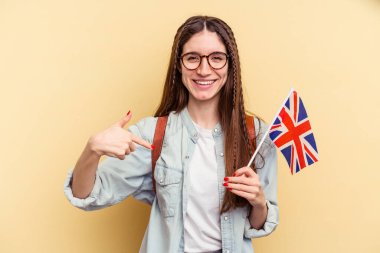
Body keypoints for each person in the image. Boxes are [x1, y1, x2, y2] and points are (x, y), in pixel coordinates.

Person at [64, 15, 279, 253]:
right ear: (178, 64)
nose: (204, 69)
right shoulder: (152, 135)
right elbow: (86, 196)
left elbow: (259, 225)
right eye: (192, 58)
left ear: (230, 64)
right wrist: (92, 149)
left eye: (216, 58)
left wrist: (258, 202)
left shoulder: (257, 135)